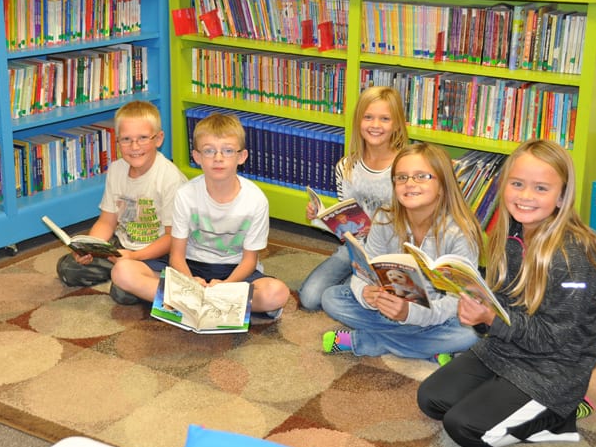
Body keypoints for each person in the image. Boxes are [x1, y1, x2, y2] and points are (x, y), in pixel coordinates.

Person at [417, 139, 596, 447]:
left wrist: (491, 319)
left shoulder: (573, 259)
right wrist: (479, 302)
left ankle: (560, 419)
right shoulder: (512, 231)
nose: (525, 196)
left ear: (562, 196)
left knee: (463, 428)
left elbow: (554, 339)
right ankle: (507, 401)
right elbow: (503, 302)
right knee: (431, 399)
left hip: (552, 370)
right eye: (517, 184)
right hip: (503, 350)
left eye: (541, 188)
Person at [320, 142, 485, 360]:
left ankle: (366, 341)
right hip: (390, 305)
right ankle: (429, 348)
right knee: (331, 298)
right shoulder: (384, 218)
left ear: (443, 184)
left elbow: (458, 301)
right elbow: (365, 270)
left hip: (437, 313)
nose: (410, 183)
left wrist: (410, 314)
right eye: (401, 177)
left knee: (470, 333)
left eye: (421, 176)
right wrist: (366, 293)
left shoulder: (460, 233)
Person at [116, 111, 290, 317]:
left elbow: (249, 261)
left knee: (277, 293)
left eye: (227, 151)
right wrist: (189, 282)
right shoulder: (185, 194)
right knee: (122, 271)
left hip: (234, 270)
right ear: (197, 157)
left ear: (241, 157)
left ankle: (187, 300)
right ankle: (215, 303)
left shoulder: (256, 200)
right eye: (209, 151)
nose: (218, 158)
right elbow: (176, 255)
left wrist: (226, 285)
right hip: (189, 265)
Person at [55, 100, 187, 302]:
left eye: (143, 138)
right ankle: (125, 272)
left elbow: (172, 239)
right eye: (126, 139)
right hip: (122, 246)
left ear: (159, 139)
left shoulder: (170, 178)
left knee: (122, 293)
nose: (134, 146)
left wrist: (135, 257)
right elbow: (107, 222)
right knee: (68, 268)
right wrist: (88, 248)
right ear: (117, 142)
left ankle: (140, 276)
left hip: (159, 252)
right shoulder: (116, 170)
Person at [298, 86, 408, 310]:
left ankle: (358, 286)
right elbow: (345, 219)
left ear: (397, 124)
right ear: (358, 121)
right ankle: (357, 284)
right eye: (368, 117)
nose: (375, 125)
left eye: (385, 119)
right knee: (309, 299)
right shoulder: (346, 167)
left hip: (392, 252)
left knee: (385, 299)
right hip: (355, 249)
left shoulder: (405, 166)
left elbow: (415, 220)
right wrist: (320, 217)